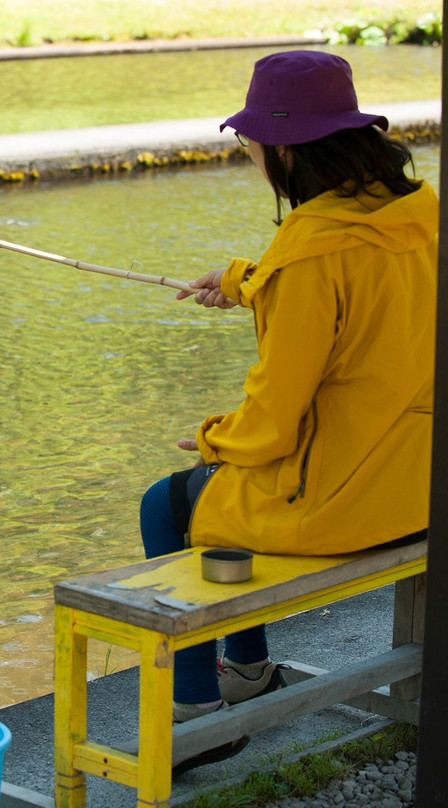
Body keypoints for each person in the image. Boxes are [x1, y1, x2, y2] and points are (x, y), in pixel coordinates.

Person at [139, 49, 438, 774]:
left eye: (247, 144)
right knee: (223, 487)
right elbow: (353, 295)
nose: (247, 154)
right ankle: (245, 672)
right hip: (421, 480)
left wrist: (213, 440)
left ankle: (200, 713)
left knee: (167, 503)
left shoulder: (307, 248)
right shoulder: (422, 213)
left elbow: (272, 420)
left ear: (282, 149)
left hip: (350, 497)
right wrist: (247, 280)